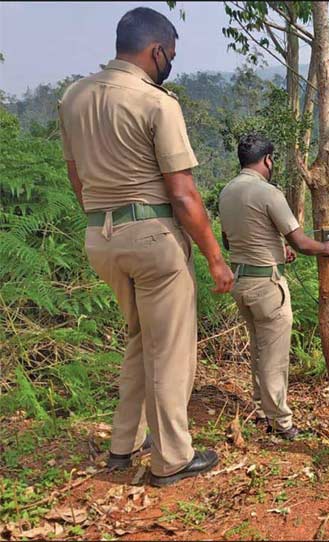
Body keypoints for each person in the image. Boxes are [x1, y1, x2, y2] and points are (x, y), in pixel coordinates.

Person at [59, 7, 234, 486]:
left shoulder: (73, 97)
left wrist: (104, 222)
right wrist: (216, 258)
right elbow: (182, 193)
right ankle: (173, 457)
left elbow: (77, 177)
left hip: (101, 235)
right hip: (153, 237)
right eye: (170, 54)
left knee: (141, 339)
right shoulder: (157, 103)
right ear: (157, 50)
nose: (169, 62)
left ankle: (123, 444)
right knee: (171, 350)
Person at [219, 134, 329, 440]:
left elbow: (229, 240)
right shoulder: (268, 192)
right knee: (274, 355)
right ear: (267, 160)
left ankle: (262, 410)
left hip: (241, 280)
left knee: (260, 349)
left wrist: (275, 249)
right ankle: (281, 422)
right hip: (267, 284)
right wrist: (325, 249)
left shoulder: (227, 191)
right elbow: (300, 242)